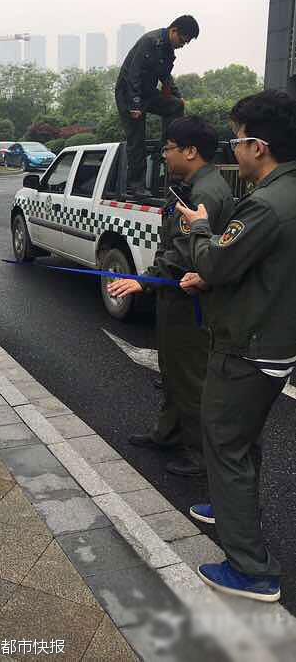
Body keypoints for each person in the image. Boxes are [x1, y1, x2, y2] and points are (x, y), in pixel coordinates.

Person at [175, 91, 296, 602]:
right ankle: (232, 509)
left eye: (237, 140)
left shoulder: (266, 205)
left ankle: (250, 568)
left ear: (258, 146)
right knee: (242, 440)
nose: (235, 151)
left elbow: (217, 262)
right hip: (274, 337)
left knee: (224, 443)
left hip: (248, 345)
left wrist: (200, 230)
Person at [108, 117, 234, 476]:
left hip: (190, 301)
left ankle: (199, 455)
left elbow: (183, 252)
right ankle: (167, 434)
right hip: (177, 295)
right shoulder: (195, 184)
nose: (164, 155)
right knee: (174, 370)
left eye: (168, 148)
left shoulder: (205, 192)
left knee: (191, 377)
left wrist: (143, 282)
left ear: (190, 151)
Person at [115, 15, 200, 196]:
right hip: (128, 93)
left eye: (186, 44)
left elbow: (165, 77)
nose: (182, 45)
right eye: (182, 41)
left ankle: (169, 147)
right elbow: (133, 74)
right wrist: (135, 104)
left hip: (147, 92)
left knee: (175, 106)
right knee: (137, 138)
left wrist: (178, 96)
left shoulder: (168, 50)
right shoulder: (149, 41)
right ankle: (137, 184)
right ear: (173, 31)